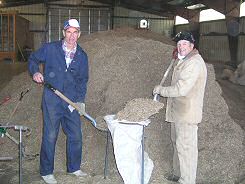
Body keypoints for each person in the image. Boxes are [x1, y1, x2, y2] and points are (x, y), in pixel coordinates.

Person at [28, 19, 89, 184]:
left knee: (75, 135)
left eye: (75, 32)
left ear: (79, 34)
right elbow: (33, 59)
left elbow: (82, 81)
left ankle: (74, 168)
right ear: (64, 33)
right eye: (69, 32)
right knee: (50, 135)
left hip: (70, 101)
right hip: (52, 100)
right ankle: (46, 171)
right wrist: (35, 72)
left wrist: (80, 102)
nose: (71, 36)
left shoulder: (82, 56)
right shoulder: (50, 49)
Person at [153, 31, 207, 184]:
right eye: (178, 44)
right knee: (178, 145)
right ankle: (178, 174)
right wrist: (178, 60)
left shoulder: (194, 63)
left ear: (192, 45)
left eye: (184, 44)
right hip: (178, 112)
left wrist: (161, 90)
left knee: (186, 149)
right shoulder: (183, 60)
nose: (181, 47)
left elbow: (181, 89)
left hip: (187, 114)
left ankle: (187, 180)